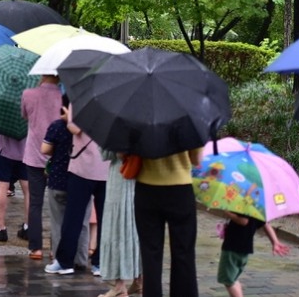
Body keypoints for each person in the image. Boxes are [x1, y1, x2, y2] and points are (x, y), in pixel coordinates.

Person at [46, 104, 109, 276]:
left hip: (83, 169)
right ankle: (100, 264)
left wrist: (68, 118)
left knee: (73, 217)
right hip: (107, 169)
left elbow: (75, 128)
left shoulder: (83, 99)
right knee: (105, 219)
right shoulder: (115, 102)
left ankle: (65, 262)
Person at [135, 149, 202, 297]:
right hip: (180, 188)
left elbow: (122, 154)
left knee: (150, 253)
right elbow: (196, 160)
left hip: (147, 187)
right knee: (184, 252)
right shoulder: (187, 125)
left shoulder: (139, 124)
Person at [42, 96, 91, 270]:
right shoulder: (89, 127)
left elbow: (45, 149)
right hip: (84, 179)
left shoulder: (56, 126)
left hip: (58, 180)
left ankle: (59, 258)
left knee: (58, 223)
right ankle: (81, 258)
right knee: (83, 222)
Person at [21, 75, 62, 260]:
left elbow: (24, 115)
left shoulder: (28, 94)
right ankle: (56, 248)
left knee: (35, 203)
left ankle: (35, 248)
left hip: (34, 154)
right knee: (58, 205)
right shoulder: (64, 96)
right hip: (58, 156)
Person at [98, 151, 143, 297]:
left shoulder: (114, 128)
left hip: (120, 176)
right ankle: (140, 281)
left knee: (116, 227)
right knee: (138, 228)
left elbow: (106, 154)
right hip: (142, 174)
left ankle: (119, 286)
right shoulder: (148, 127)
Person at [217, 212, 289, 297]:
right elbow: (265, 224)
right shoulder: (256, 207)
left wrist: (226, 211)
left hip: (233, 248)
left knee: (228, 280)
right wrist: (275, 241)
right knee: (233, 279)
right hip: (243, 249)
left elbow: (243, 221)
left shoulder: (245, 205)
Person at [0, 134, 29, 243]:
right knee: (28, 189)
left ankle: (1, 228)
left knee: (2, 186)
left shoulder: (5, 116)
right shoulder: (29, 115)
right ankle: (28, 227)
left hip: (3, 148)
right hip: (26, 149)